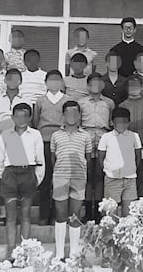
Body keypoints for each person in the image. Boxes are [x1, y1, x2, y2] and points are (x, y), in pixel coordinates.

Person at [0, 103, 45, 260]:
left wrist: (36, 179)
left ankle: (24, 251)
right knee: (10, 216)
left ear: (30, 117)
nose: (21, 119)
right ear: (12, 117)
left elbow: (40, 160)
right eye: (17, 116)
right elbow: (1, 159)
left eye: (25, 116)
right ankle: (11, 251)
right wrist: (4, 176)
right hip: (10, 174)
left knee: (25, 215)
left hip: (28, 173)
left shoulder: (35, 135)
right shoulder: (6, 134)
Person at [0, 68, 31, 226]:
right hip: (1, 139)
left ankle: (18, 213)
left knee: (20, 177)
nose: (13, 81)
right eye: (10, 78)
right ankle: (3, 213)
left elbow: (29, 122)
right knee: (4, 177)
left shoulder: (25, 99)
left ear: (21, 81)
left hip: (20, 140)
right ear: (5, 80)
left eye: (16, 79)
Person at [51, 100, 92, 260]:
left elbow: (87, 158)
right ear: (63, 115)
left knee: (75, 215)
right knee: (61, 214)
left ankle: (74, 252)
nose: (71, 116)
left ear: (80, 115)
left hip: (79, 177)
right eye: (68, 112)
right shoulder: (56, 135)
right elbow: (53, 158)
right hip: (60, 176)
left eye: (75, 112)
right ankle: (60, 252)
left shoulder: (86, 136)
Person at [33, 70, 69, 225]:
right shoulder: (40, 100)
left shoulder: (67, 99)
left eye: (57, 80)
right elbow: (35, 121)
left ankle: (57, 214)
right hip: (44, 141)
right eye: (51, 80)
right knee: (45, 179)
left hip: (61, 141)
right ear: (46, 83)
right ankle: (44, 214)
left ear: (62, 83)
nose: (54, 83)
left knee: (59, 179)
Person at [78, 72, 115, 221]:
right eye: (92, 83)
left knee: (100, 175)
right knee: (86, 176)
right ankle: (87, 211)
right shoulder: (81, 103)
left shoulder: (109, 103)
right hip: (85, 137)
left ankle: (99, 210)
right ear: (87, 86)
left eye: (99, 83)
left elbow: (113, 123)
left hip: (103, 137)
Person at [98, 107, 141, 216]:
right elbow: (101, 158)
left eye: (124, 122)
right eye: (118, 122)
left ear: (129, 122)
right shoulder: (106, 137)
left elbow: (138, 156)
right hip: (112, 179)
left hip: (130, 180)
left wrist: (131, 170)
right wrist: (108, 171)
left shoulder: (134, 136)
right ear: (112, 122)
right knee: (110, 213)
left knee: (130, 212)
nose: (121, 125)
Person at [119, 77, 143, 197]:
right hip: (125, 145)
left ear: (141, 87)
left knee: (141, 174)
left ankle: (141, 203)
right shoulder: (122, 106)